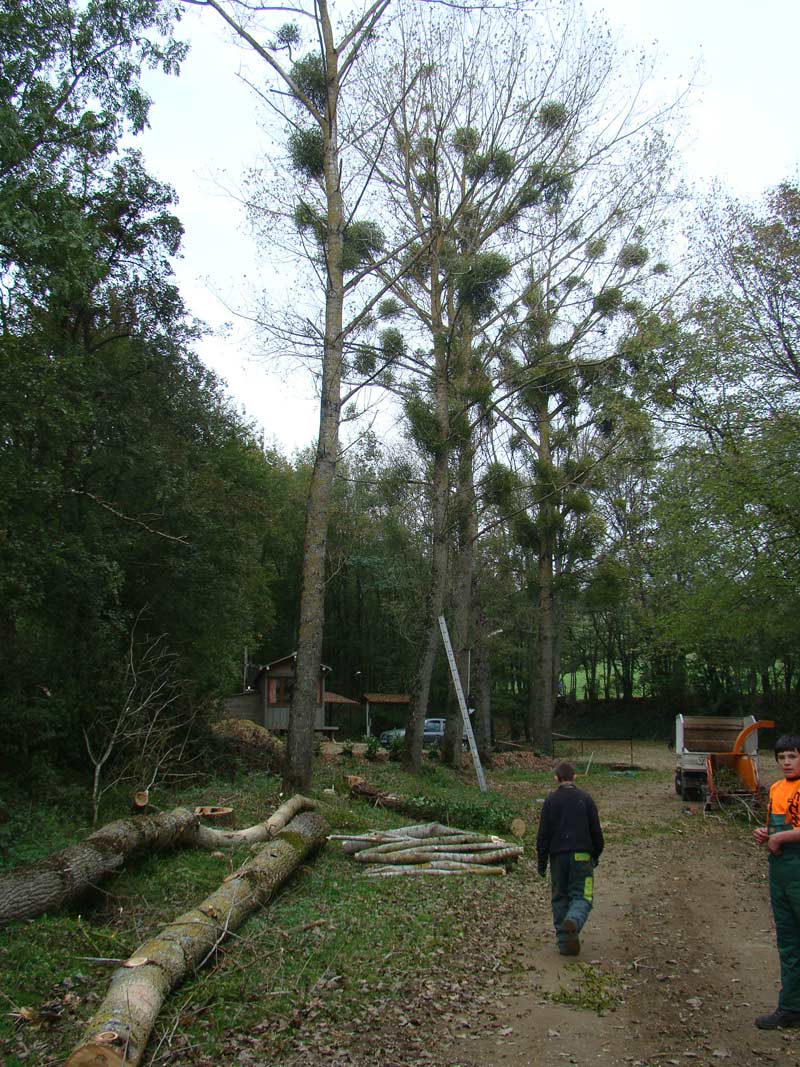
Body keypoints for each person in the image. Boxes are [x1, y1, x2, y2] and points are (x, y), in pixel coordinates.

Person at [753, 733, 800, 1029]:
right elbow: (773, 826)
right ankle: (791, 1007)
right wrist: (764, 833)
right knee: (788, 941)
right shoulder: (775, 789)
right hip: (780, 871)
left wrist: (781, 837)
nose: (786, 762)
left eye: (793, 756)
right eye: (782, 757)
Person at [536, 760, 604, 956]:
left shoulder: (550, 801)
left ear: (556, 778)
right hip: (583, 857)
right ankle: (574, 920)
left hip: (557, 858)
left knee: (559, 898)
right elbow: (596, 833)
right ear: (575, 777)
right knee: (583, 896)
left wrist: (542, 863)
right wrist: (595, 855)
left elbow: (543, 835)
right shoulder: (586, 799)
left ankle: (564, 943)